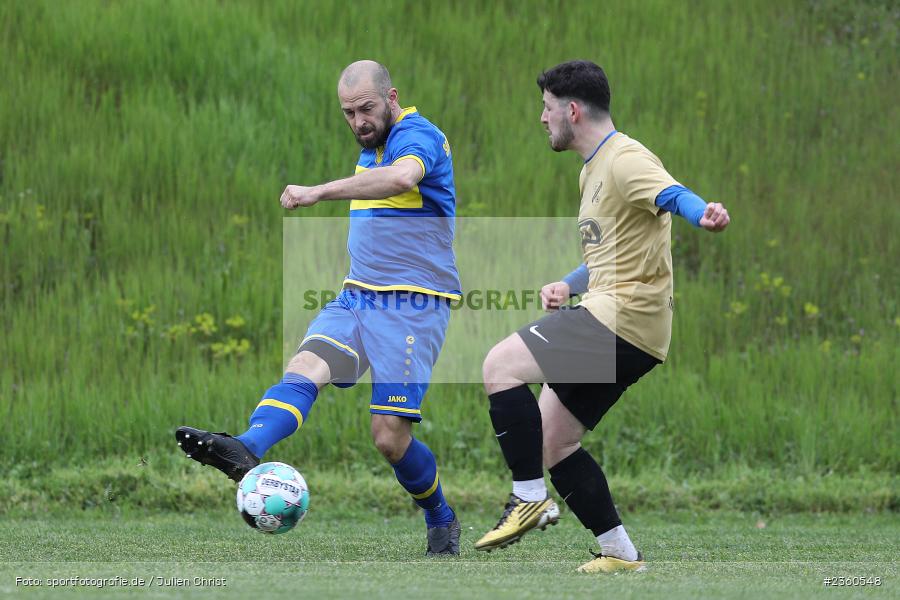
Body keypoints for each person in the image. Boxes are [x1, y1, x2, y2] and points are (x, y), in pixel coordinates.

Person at [176, 60, 461, 556]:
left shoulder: (419, 135)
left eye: (366, 109)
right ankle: (246, 447)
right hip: (357, 295)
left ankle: (441, 516)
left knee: (389, 439)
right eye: (348, 113)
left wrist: (318, 192)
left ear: (391, 97)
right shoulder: (373, 145)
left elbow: (401, 178)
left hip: (415, 305)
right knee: (306, 367)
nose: (358, 121)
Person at [474, 60, 730, 572]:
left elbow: (672, 194)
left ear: (571, 110)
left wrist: (702, 213)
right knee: (554, 440)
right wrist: (566, 285)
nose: (541, 119)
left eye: (547, 109)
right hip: (630, 325)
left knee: (499, 365)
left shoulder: (623, 159)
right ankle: (619, 552)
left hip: (623, 319)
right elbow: (610, 255)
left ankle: (528, 498)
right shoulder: (592, 168)